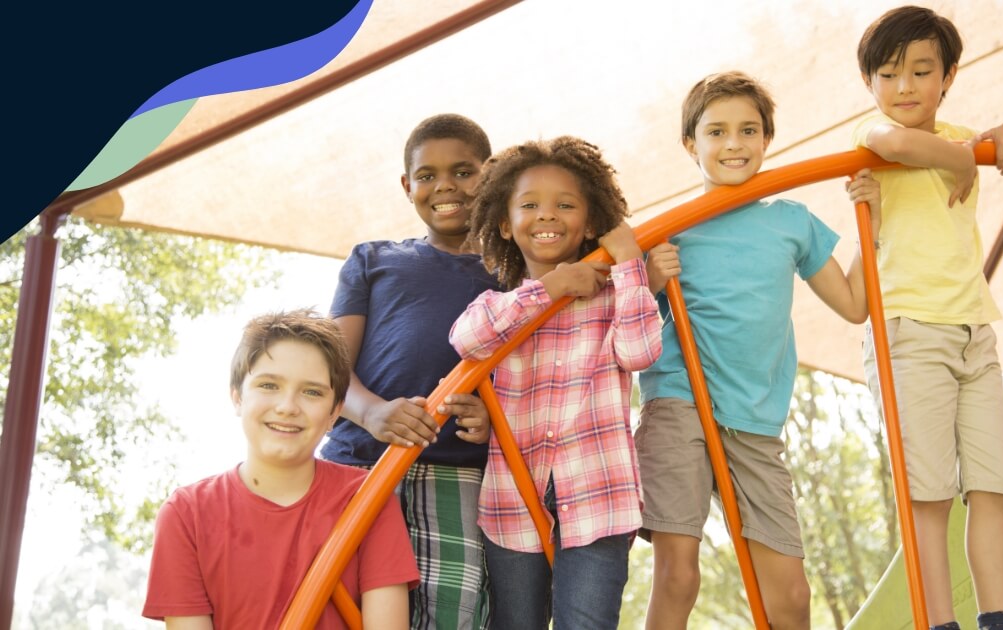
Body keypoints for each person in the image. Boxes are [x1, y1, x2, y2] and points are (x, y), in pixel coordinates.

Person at [636, 70, 882, 630]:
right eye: (716, 132)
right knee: (679, 575)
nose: (733, 144)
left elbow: (852, 305)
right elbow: (628, 331)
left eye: (748, 131)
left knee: (792, 596)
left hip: (754, 417)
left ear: (767, 140)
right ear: (689, 144)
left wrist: (875, 222)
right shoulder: (669, 233)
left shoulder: (790, 222)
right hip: (680, 400)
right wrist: (649, 280)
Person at [854, 7, 1003, 630]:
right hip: (909, 332)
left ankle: (998, 619)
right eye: (888, 74)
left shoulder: (963, 134)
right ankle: (939, 624)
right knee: (926, 495)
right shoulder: (872, 137)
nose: (904, 87)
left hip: (972, 333)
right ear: (871, 85)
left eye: (921, 71)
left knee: (992, 487)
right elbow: (899, 142)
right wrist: (959, 160)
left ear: (948, 76)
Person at [449, 136, 661, 630]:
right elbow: (467, 338)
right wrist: (552, 288)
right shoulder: (498, 306)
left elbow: (639, 352)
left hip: (598, 492)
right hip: (513, 500)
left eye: (565, 205)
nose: (547, 215)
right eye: (529, 205)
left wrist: (629, 264)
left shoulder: (614, 300)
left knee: (585, 623)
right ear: (505, 224)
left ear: (590, 223)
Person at [318, 113, 501, 629]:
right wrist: (373, 413)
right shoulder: (374, 260)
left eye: (463, 171)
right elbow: (331, 369)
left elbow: (533, 382)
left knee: (451, 613)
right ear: (407, 186)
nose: (445, 186)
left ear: (490, 174)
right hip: (358, 464)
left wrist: (496, 419)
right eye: (427, 175)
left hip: (458, 473)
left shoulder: (517, 274)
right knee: (335, 605)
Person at [143, 309, 419, 629]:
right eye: (269, 385)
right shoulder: (185, 514)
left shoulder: (369, 498)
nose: (287, 406)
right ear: (237, 397)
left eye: (312, 392)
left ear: (334, 413)